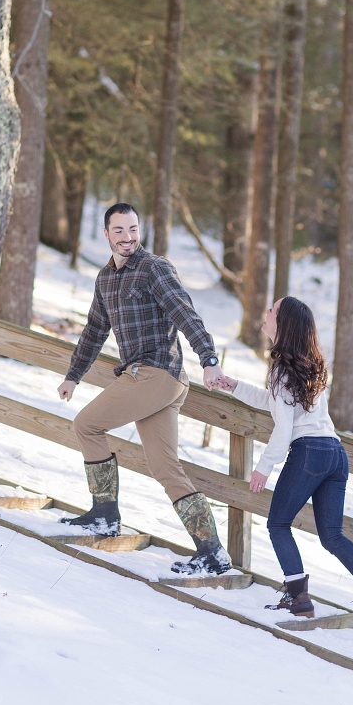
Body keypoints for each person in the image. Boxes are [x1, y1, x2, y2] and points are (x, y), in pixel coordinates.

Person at [55, 202, 231, 576]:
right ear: (106, 234)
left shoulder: (154, 268)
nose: (127, 237)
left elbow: (185, 312)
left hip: (157, 373)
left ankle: (105, 516)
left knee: (87, 425)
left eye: (133, 229)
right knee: (164, 467)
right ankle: (212, 551)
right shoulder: (105, 280)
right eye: (119, 230)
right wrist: (74, 375)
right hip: (153, 381)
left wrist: (209, 358)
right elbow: (93, 332)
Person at [214, 296, 353, 637]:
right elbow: (274, 404)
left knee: (278, 524)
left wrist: (263, 466)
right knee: (332, 535)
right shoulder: (306, 365)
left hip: (308, 453)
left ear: (282, 324)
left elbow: (284, 428)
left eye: (272, 310)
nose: (266, 312)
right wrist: (234, 385)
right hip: (334, 454)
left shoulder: (283, 368)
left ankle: (298, 598)